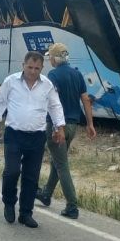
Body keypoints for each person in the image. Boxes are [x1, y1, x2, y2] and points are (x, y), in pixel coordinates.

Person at [0, 51, 65, 228]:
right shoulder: (11, 81)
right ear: (23, 65)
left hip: (37, 137)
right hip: (14, 134)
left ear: (42, 68)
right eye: (30, 67)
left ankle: (25, 213)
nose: (32, 71)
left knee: (31, 177)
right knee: (12, 171)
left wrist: (59, 128)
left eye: (37, 68)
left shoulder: (47, 85)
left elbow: (55, 106)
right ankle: (9, 202)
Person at [36, 43, 96, 220]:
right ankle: (46, 193)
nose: (49, 60)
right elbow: (85, 100)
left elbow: (49, 102)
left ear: (54, 59)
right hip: (73, 126)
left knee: (62, 165)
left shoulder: (53, 75)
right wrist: (90, 124)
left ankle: (72, 206)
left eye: (49, 57)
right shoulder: (77, 74)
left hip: (57, 126)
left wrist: (53, 126)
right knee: (58, 160)